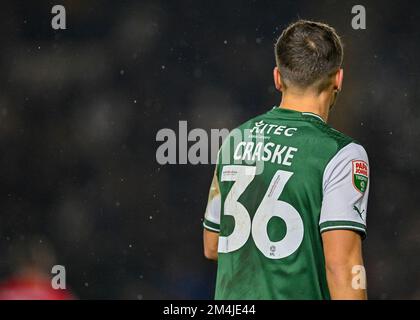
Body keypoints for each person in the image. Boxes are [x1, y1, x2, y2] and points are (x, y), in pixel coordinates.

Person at [202, 20, 369, 300]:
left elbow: (213, 243)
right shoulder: (342, 154)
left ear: (278, 78)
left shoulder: (236, 139)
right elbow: (343, 268)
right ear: (338, 78)